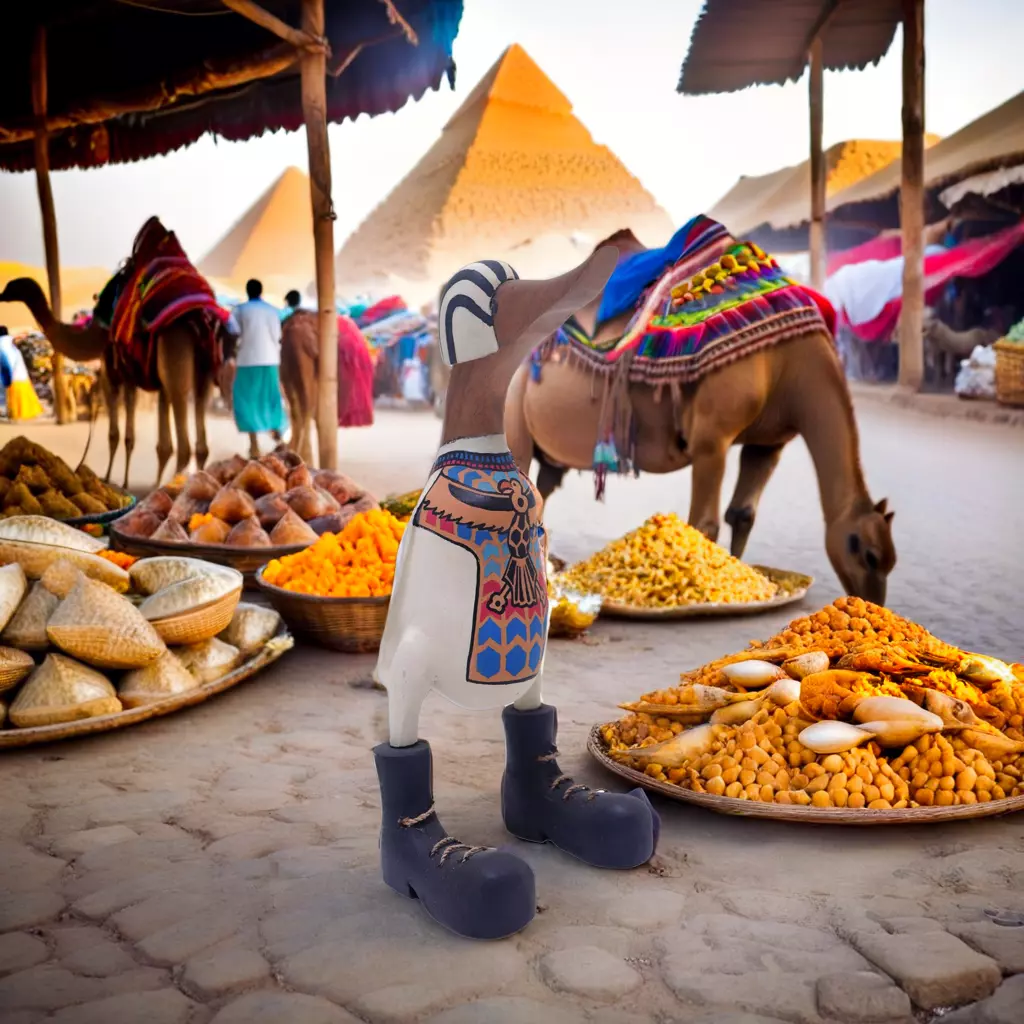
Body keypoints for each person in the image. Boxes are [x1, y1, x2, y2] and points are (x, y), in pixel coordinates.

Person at [228, 280, 285, 456]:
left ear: (247, 291)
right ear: (261, 291)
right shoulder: (271, 310)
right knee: (271, 398)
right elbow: (277, 335)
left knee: (248, 401)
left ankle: (254, 445)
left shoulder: (239, 310)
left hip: (247, 360)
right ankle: (279, 439)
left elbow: (232, 331)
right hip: (270, 359)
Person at [0, 328, 43, 421]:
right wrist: (28, 332)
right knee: (22, 393)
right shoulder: (5, 340)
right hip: (17, 373)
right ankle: (23, 413)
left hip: (12, 373)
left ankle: (16, 414)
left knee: (14, 394)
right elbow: (18, 336)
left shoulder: (4, 342)